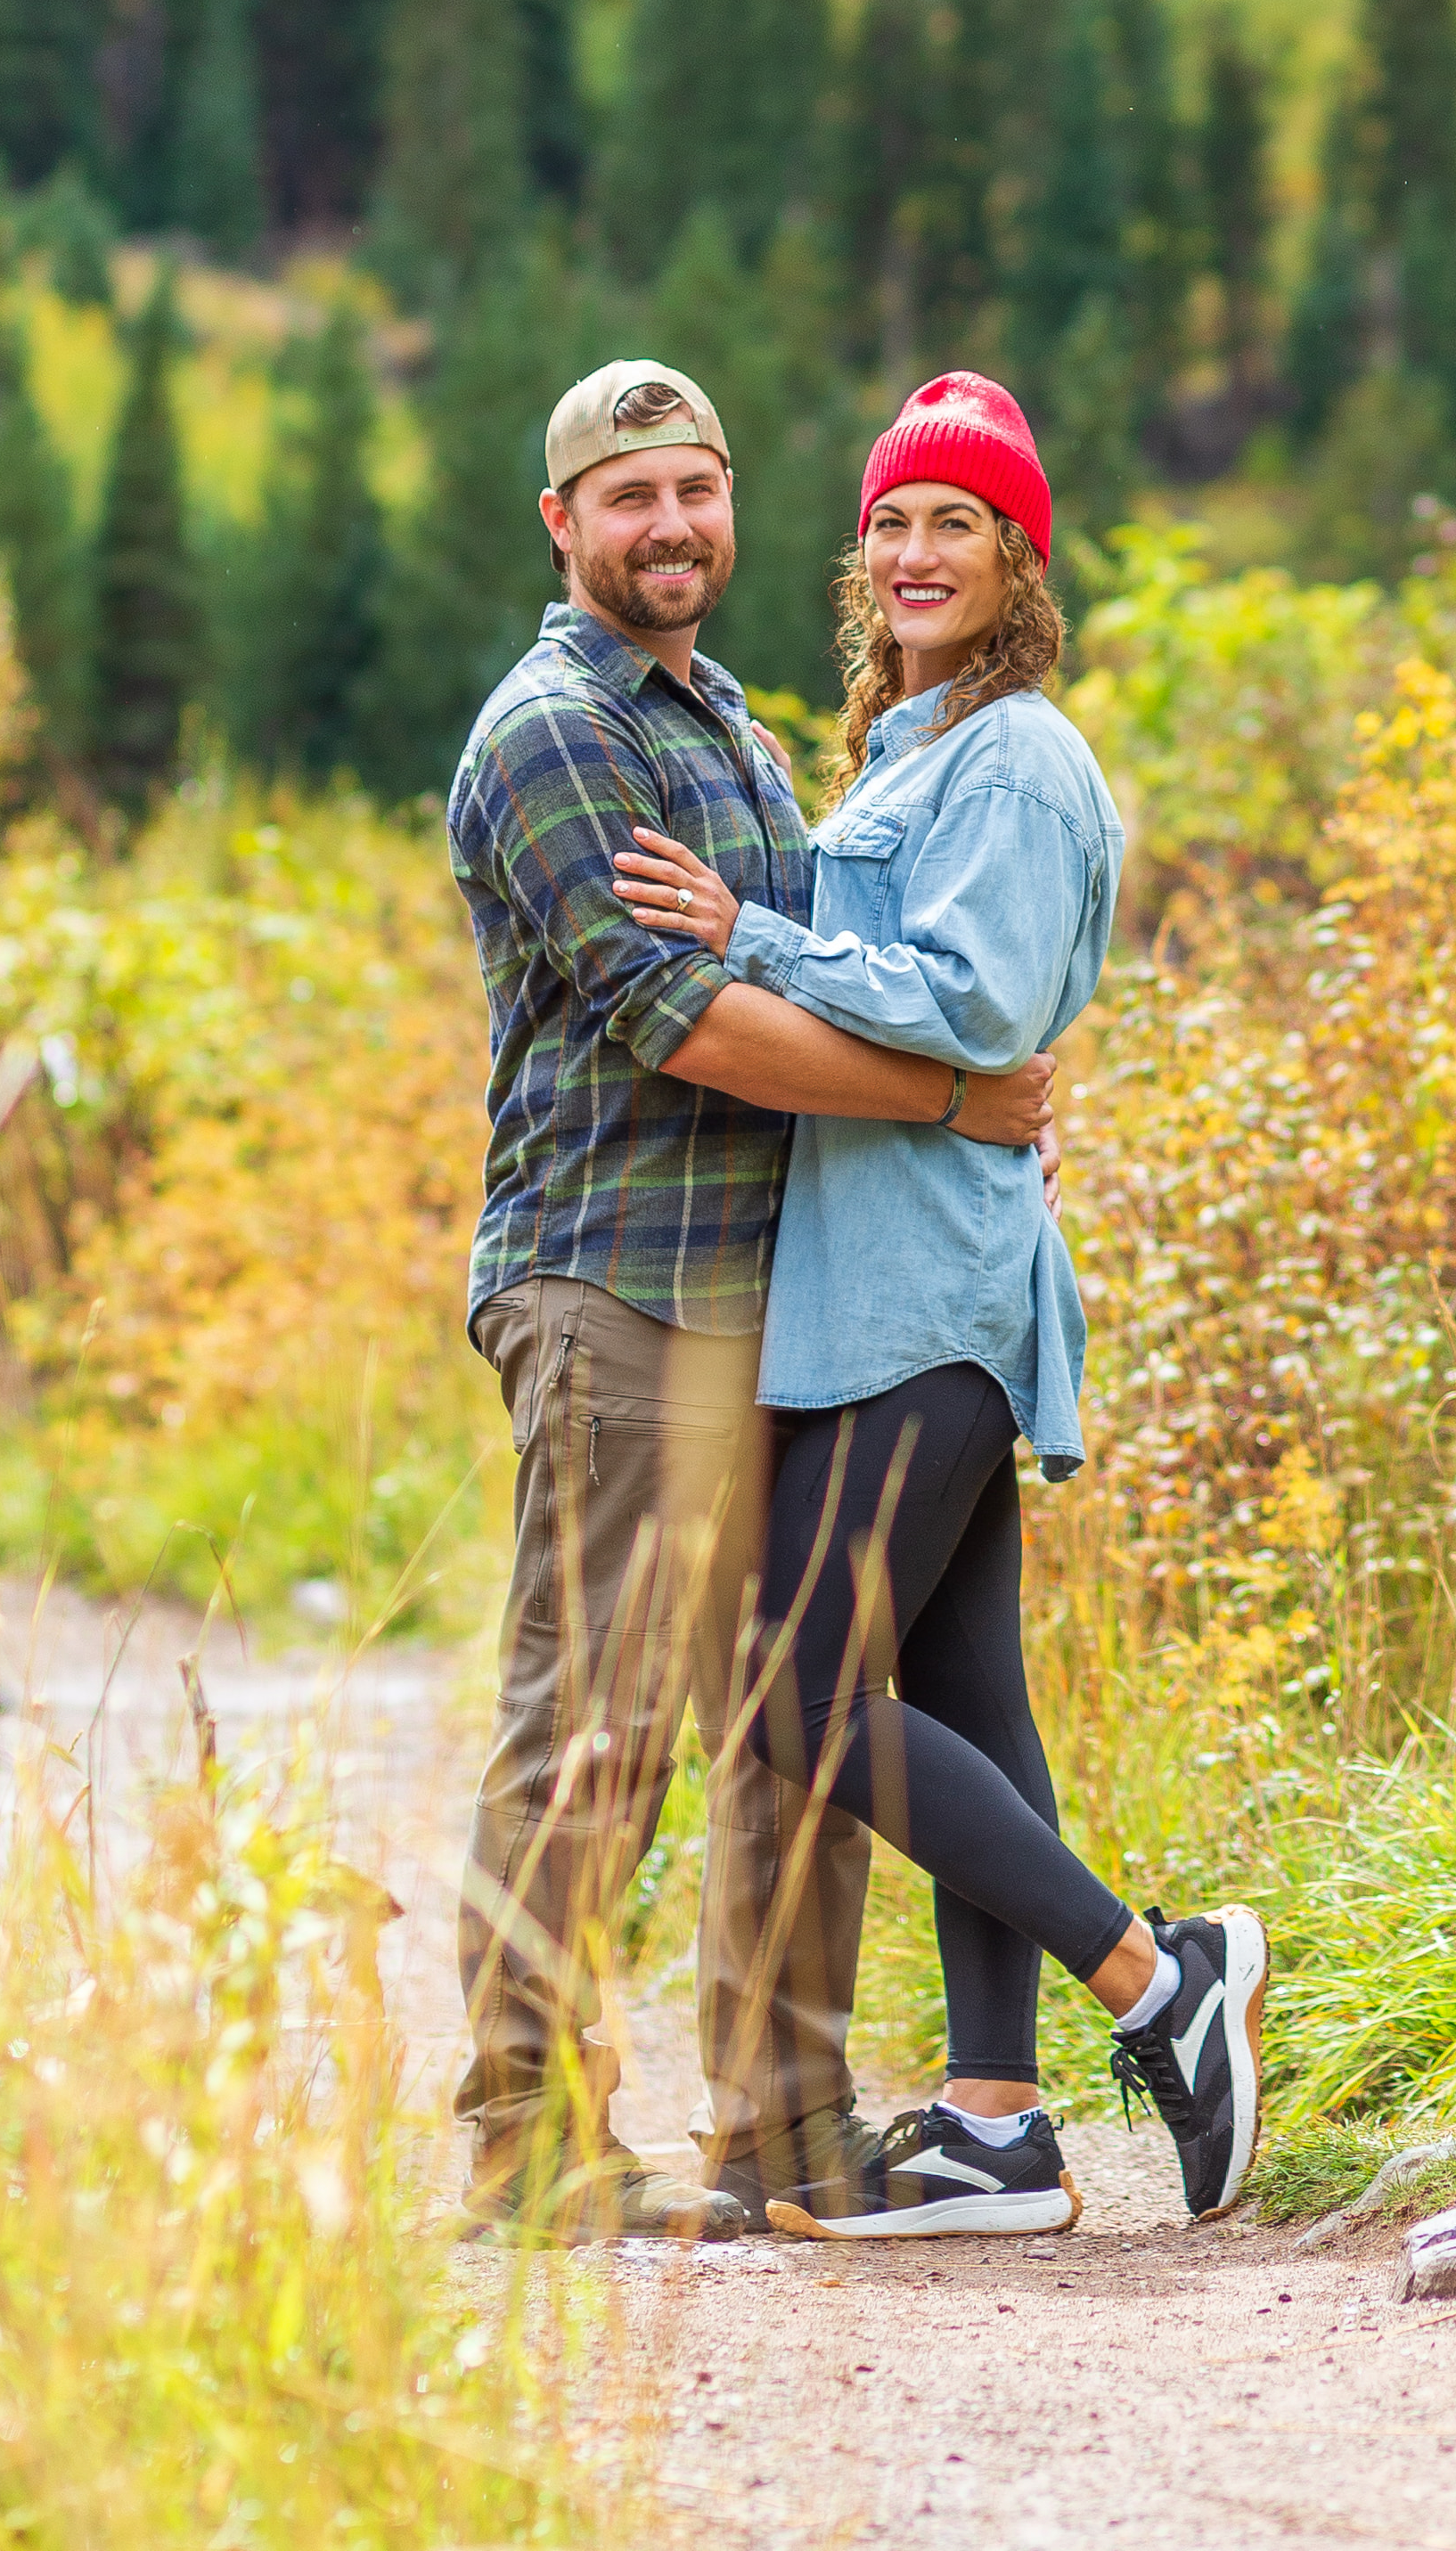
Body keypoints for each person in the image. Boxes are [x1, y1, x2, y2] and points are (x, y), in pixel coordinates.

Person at [610, 369, 1268, 2242]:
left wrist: (750, 931)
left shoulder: (1018, 758)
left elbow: (977, 1004)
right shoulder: (902, 749)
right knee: (962, 1684)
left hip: (932, 1298)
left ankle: (1155, 1982)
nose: (912, 550)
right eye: (892, 518)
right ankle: (996, 2119)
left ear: (1018, 558)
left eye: (954, 522)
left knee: (785, 1682)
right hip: (869, 1295)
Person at [448, 355, 1062, 2241]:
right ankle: (527, 2141)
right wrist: (963, 1097)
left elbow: (855, 965)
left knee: (790, 1711)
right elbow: (692, 1023)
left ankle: (787, 2128)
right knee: (600, 1716)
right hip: (615, 1280)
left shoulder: (731, 724)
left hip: (789, 1304)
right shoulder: (555, 732)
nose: (671, 525)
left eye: (697, 489)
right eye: (628, 496)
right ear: (562, 522)